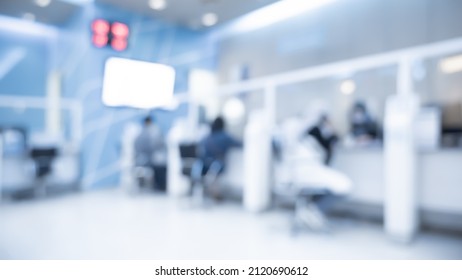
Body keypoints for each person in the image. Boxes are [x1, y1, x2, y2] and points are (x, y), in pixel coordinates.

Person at [198, 116, 242, 198]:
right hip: (216, 164)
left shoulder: (207, 137)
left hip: (204, 165)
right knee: (216, 168)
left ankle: (212, 190)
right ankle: (215, 192)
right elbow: (239, 144)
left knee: (213, 171)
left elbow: (199, 145)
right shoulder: (224, 136)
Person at [134, 116, 167, 191]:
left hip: (155, 158)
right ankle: (159, 187)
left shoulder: (151, 131)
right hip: (154, 158)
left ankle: (159, 187)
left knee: (159, 173)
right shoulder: (153, 131)